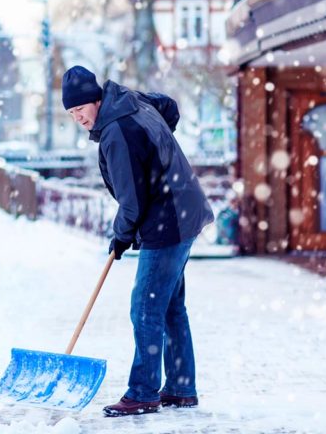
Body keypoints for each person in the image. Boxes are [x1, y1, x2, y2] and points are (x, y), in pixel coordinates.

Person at [61, 65, 214, 417]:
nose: (78, 117)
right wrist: (158, 153)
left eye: (81, 108)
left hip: (168, 220)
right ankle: (180, 387)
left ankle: (144, 391)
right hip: (183, 209)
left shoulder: (116, 131)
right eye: (71, 113)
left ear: (95, 99)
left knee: (145, 307)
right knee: (170, 306)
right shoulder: (130, 101)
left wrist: (121, 236)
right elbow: (169, 106)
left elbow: (132, 201)